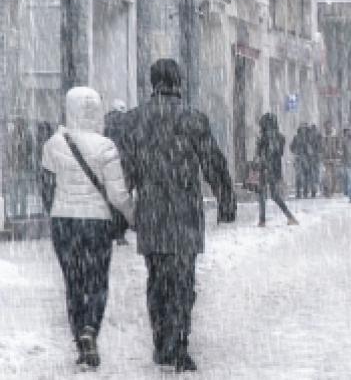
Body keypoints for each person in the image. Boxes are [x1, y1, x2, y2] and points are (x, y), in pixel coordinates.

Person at [115, 59, 236, 372]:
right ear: (178, 82)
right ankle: (178, 343)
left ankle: (161, 341)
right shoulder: (192, 118)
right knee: (182, 281)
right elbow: (213, 162)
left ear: (152, 82)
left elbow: (124, 172)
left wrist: (119, 214)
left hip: (152, 213)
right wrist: (225, 200)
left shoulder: (133, 120)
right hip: (184, 213)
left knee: (157, 279)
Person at [39, 87, 134, 369]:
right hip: (97, 222)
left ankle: (80, 338)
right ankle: (90, 329)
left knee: (73, 282)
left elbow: (46, 188)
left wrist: (56, 211)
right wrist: (132, 216)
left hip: (64, 222)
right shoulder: (106, 146)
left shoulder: (53, 144)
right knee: (97, 281)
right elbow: (117, 194)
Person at [255, 113, 297, 227]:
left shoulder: (263, 137)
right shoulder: (280, 137)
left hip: (265, 168)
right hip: (275, 168)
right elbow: (279, 153)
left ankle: (262, 220)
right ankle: (290, 217)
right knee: (274, 195)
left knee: (262, 194)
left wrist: (260, 149)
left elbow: (260, 154)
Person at [321, 122, 344, 198]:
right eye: (327, 126)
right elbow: (320, 147)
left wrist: (338, 153)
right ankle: (327, 190)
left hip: (334, 159)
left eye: (329, 126)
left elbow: (339, 147)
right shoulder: (323, 137)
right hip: (325, 159)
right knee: (327, 176)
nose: (328, 128)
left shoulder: (335, 137)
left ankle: (332, 190)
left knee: (334, 176)